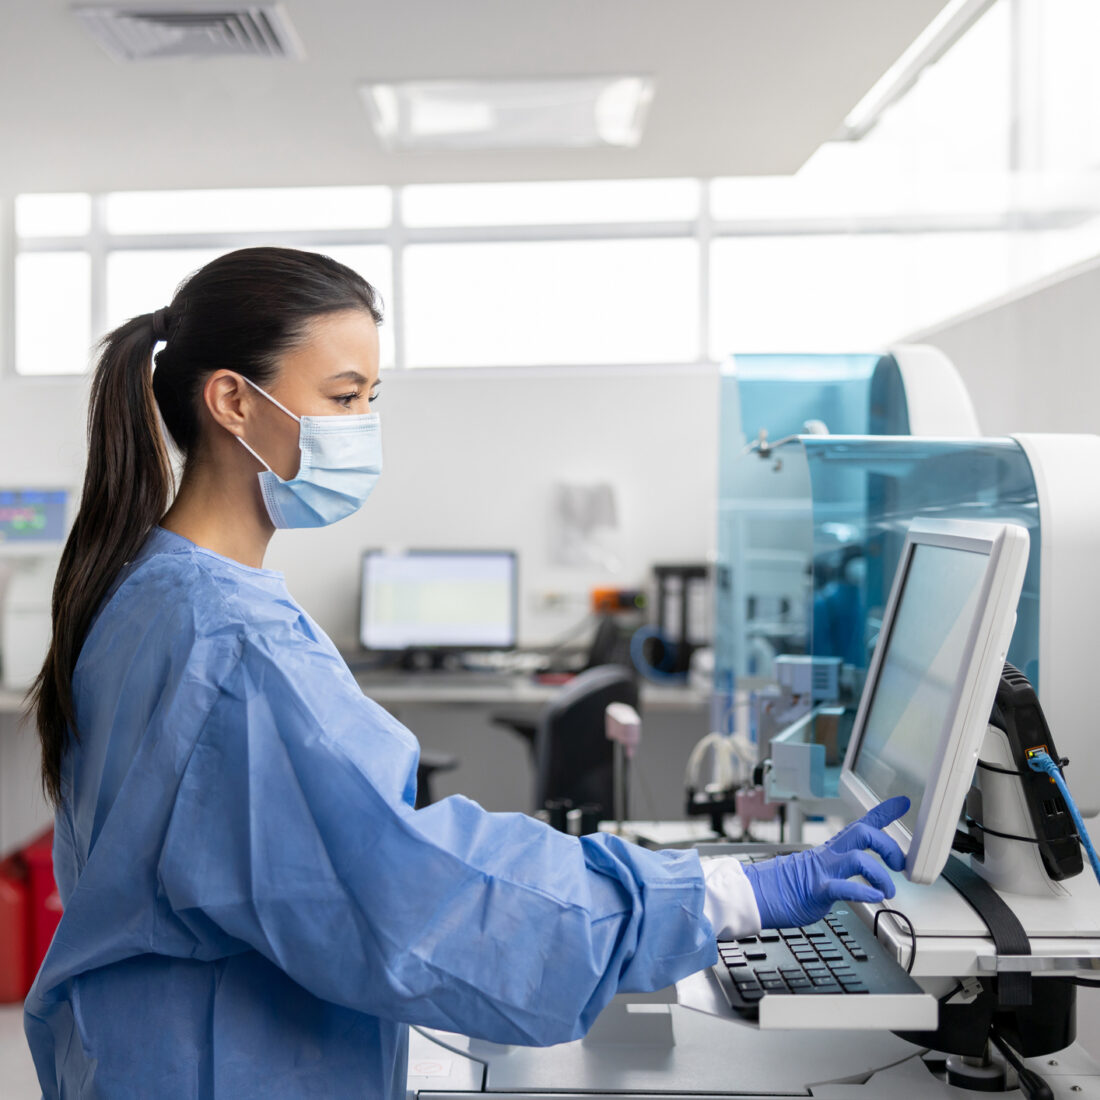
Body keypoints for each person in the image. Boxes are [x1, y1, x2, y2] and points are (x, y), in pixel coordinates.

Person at [24, 247, 909, 1099]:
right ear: (233, 402)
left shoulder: (147, 587)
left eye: (372, 398)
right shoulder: (232, 640)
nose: (363, 426)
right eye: (341, 396)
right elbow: (408, 895)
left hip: (147, 1051)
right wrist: (721, 893)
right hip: (223, 1060)